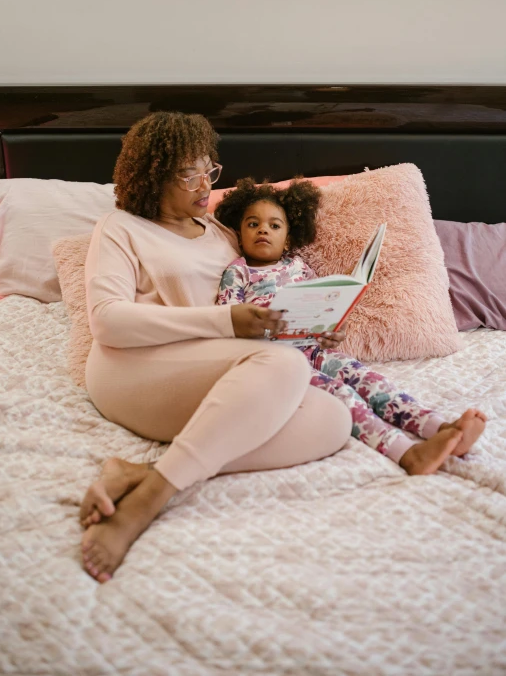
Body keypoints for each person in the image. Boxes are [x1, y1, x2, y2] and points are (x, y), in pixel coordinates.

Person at [80, 112, 353, 583]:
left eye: (209, 169)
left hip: (211, 366)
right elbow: (107, 321)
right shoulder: (120, 227)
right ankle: (146, 504)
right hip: (131, 367)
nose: (204, 183)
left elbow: (255, 304)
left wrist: (311, 325)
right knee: (283, 366)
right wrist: (226, 321)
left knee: (333, 419)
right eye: (188, 173)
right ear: (152, 176)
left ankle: (140, 472)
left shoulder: (223, 234)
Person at [214, 177, 487, 476]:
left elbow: (319, 308)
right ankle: (407, 453)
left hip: (313, 349)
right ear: (240, 235)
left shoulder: (299, 268)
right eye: (253, 224)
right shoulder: (238, 271)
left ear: (289, 239)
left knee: (369, 379)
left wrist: (332, 331)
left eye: (274, 226)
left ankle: (438, 426)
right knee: (343, 395)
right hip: (279, 360)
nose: (263, 229)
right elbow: (226, 320)